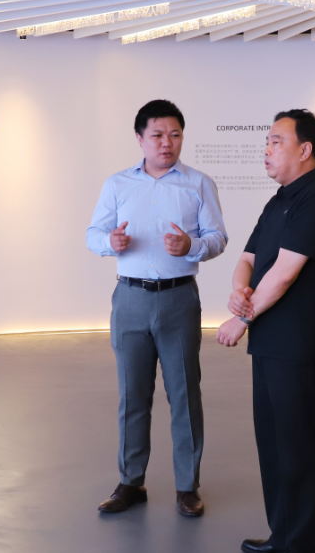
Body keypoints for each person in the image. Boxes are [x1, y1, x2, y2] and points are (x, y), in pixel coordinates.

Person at [216, 109, 315, 553]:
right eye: (267, 141)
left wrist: (241, 317)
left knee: (301, 449)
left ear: (305, 149)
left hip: (300, 344)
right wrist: (239, 290)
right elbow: (250, 259)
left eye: (276, 141)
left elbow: (286, 273)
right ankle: (285, 535)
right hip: (270, 342)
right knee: (274, 446)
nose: (267, 149)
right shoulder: (278, 201)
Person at [85, 100, 227, 517]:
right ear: (140, 138)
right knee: (132, 396)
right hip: (129, 298)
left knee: (184, 394)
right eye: (158, 135)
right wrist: (109, 242)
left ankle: (187, 487)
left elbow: (218, 237)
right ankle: (131, 483)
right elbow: (93, 233)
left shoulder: (199, 183)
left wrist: (192, 246)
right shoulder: (117, 184)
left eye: (175, 135)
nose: (167, 143)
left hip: (179, 298)